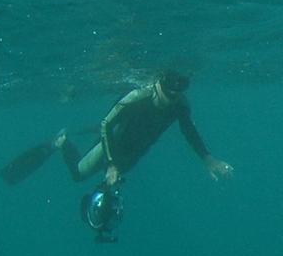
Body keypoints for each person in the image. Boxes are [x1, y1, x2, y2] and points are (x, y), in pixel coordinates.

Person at [53, 70, 233, 185]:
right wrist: (111, 164)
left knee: (112, 184)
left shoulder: (180, 105)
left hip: (136, 151)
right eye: (170, 93)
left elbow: (189, 131)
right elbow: (106, 124)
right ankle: (63, 142)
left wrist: (208, 159)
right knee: (79, 175)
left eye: (179, 94)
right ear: (160, 84)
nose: (174, 98)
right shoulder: (137, 97)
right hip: (114, 143)